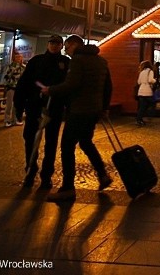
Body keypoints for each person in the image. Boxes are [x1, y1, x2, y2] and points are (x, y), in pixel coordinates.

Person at [39, 35, 113, 202]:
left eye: (66, 46)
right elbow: (108, 86)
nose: (65, 50)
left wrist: (50, 90)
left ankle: (67, 188)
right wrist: (104, 108)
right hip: (94, 110)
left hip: (79, 110)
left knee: (67, 147)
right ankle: (102, 174)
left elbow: (71, 85)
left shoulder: (78, 60)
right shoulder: (101, 61)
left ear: (74, 45)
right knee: (86, 142)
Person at [14, 35, 70, 189]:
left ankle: (46, 175)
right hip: (34, 107)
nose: (54, 46)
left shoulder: (65, 63)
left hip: (55, 108)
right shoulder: (36, 61)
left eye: (57, 43)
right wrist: (19, 106)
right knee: (30, 140)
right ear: (48, 44)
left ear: (61, 45)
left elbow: (68, 86)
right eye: (52, 43)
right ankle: (30, 171)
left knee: (51, 143)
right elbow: (23, 83)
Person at [2, 51, 25, 127]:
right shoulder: (11, 66)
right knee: (9, 105)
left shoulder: (23, 67)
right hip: (11, 87)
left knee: (16, 105)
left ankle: (14, 120)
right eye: (17, 57)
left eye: (20, 57)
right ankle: (7, 120)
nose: (19, 58)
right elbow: (7, 76)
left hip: (19, 88)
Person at [136, 60, 157, 126]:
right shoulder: (150, 71)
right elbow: (150, 80)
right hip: (147, 91)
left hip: (141, 90)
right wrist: (155, 80)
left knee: (142, 106)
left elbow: (138, 82)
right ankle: (149, 115)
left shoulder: (141, 72)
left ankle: (139, 119)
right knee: (152, 103)